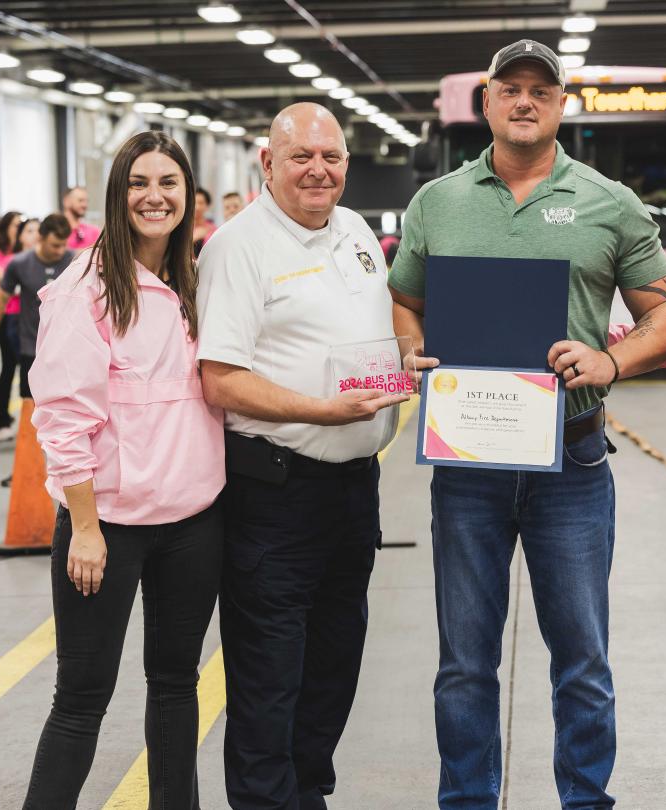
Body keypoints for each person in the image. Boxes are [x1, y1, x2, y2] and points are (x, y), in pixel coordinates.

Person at [388, 40, 666, 809]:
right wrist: (410, 347)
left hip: (572, 465)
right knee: (463, 663)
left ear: (560, 105)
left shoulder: (608, 202)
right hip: (466, 467)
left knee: (581, 659)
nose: (524, 102)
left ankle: (585, 801)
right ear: (486, 102)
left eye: (540, 91)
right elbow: (406, 298)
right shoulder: (437, 202)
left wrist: (612, 362)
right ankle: (466, 801)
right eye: (510, 90)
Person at [197, 102, 407, 810]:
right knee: (268, 682)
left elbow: (366, 337)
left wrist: (408, 363)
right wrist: (323, 410)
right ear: (267, 163)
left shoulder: (354, 232)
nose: (319, 170)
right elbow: (219, 378)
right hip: (276, 495)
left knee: (331, 671)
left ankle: (308, 797)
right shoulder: (237, 246)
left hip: (353, 492)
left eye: (332, 156)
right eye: (301, 157)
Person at [22, 131, 224, 809]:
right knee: (82, 696)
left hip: (193, 520)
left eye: (168, 182)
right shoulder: (86, 287)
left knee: (175, 684)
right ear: (117, 195)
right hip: (105, 526)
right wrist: (82, 527)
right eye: (139, 183)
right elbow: (60, 416)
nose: (154, 196)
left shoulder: (194, 280)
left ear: (188, 198)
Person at [0, 213, 73, 403]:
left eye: (64, 245)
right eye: (55, 245)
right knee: (31, 404)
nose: (60, 251)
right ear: (41, 238)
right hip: (32, 346)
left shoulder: (75, 260)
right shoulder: (19, 263)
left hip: (66, 348)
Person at [0, 210, 24, 439]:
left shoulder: (26, 255)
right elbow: (4, 281)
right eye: (15, 225)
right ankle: (1, 419)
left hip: (29, 316)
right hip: (7, 316)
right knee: (9, 367)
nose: (19, 229)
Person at [63, 186, 99, 250]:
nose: (85, 205)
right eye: (80, 200)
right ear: (66, 201)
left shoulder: (94, 231)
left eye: (87, 201)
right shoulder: (57, 230)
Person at [191, 187, 216, 254]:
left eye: (201, 203)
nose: (197, 207)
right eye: (194, 202)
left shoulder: (213, 230)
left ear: (207, 206)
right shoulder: (182, 228)